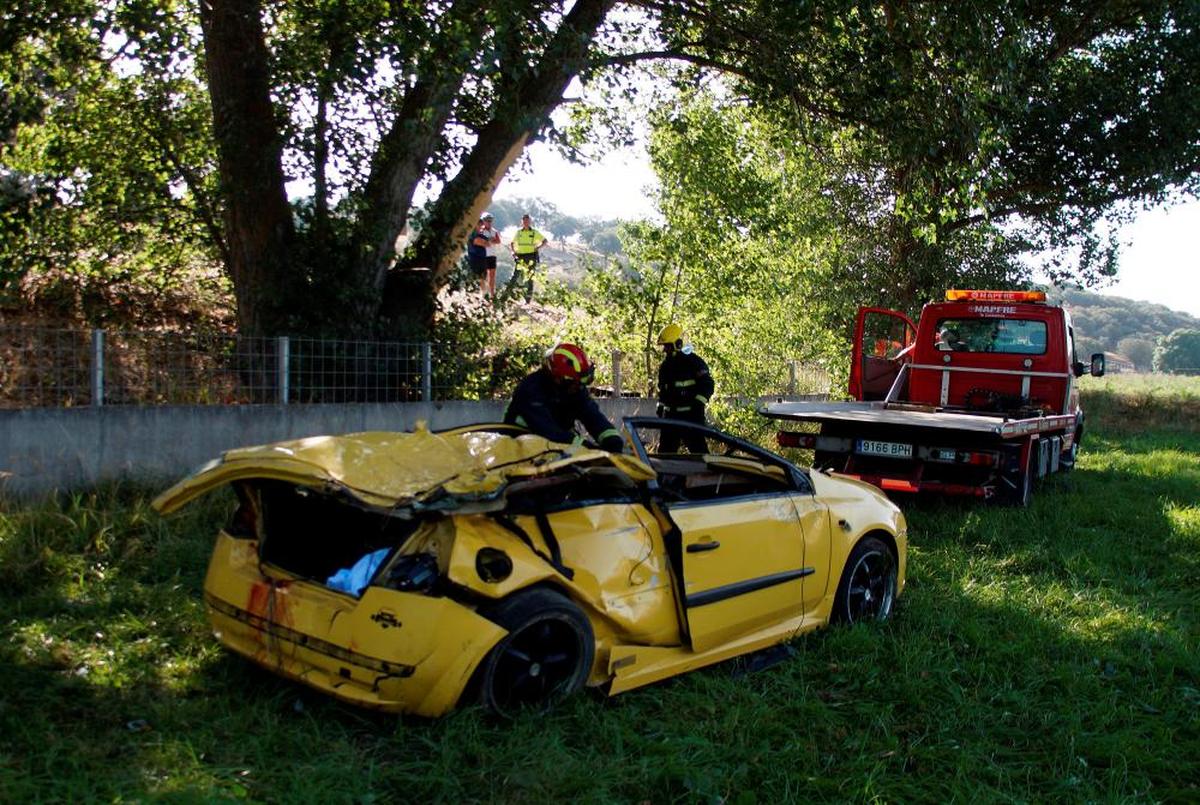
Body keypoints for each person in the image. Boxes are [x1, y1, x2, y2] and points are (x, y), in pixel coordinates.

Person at [504, 342, 625, 452]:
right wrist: (588, 447)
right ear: (558, 378)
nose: (578, 388)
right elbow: (548, 431)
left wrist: (612, 440)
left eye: (581, 383)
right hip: (519, 448)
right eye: (574, 383)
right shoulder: (531, 389)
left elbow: (592, 416)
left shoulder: (575, 389)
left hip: (555, 448)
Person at [655, 323, 714, 454]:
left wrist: (698, 404)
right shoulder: (665, 366)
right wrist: (660, 406)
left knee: (700, 455)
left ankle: (707, 475)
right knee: (665, 456)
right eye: (665, 346)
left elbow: (707, 384)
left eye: (668, 346)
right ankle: (665, 475)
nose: (665, 350)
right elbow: (663, 390)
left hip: (691, 417)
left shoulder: (694, 362)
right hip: (671, 418)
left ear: (678, 344)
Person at [508, 213, 550, 302]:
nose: (526, 223)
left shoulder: (534, 232)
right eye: (524, 221)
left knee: (530, 278)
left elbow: (545, 241)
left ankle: (528, 300)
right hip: (520, 257)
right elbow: (512, 243)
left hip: (531, 256)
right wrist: (513, 252)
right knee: (515, 276)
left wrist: (538, 247)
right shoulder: (518, 232)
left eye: (527, 221)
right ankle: (506, 295)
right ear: (522, 222)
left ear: (530, 222)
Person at [468, 212, 502, 298]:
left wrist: (490, 241)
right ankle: (482, 293)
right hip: (483, 255)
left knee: (492, 275)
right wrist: (489, 241)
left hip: (492, 255)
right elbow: (482, 241)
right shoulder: (481, 231)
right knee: (483, 275)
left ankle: (492, 294)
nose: (488, 222)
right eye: (487, 220)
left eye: (490, 221)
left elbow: (498, 241)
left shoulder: (494, 231)